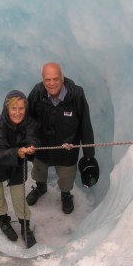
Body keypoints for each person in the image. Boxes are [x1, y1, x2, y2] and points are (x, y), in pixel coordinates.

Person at [26, 62, 95, 214]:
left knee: (66, 175)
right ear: (43, 81)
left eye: (55, 79)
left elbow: (85, 125)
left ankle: (66, 194)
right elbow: (28, 119)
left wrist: (89, 155)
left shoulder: (76, 95)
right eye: (47, 80)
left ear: (62, 78)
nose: (51, 83)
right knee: (39, 169)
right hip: (42, 145)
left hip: (67, 149)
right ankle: (40, 187)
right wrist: (28, 142)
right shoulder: (37, 93)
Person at [0, 90, 39, 248]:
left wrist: (31, 148)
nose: (17, 113)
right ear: (6, 109)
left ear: (26, 109)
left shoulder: (29, 122)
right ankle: (4, 222)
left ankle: (25, 226)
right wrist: (17, 152)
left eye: (21, 108)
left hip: (16, 163)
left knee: (19, 198)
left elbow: (32, 138)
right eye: (13, 108)